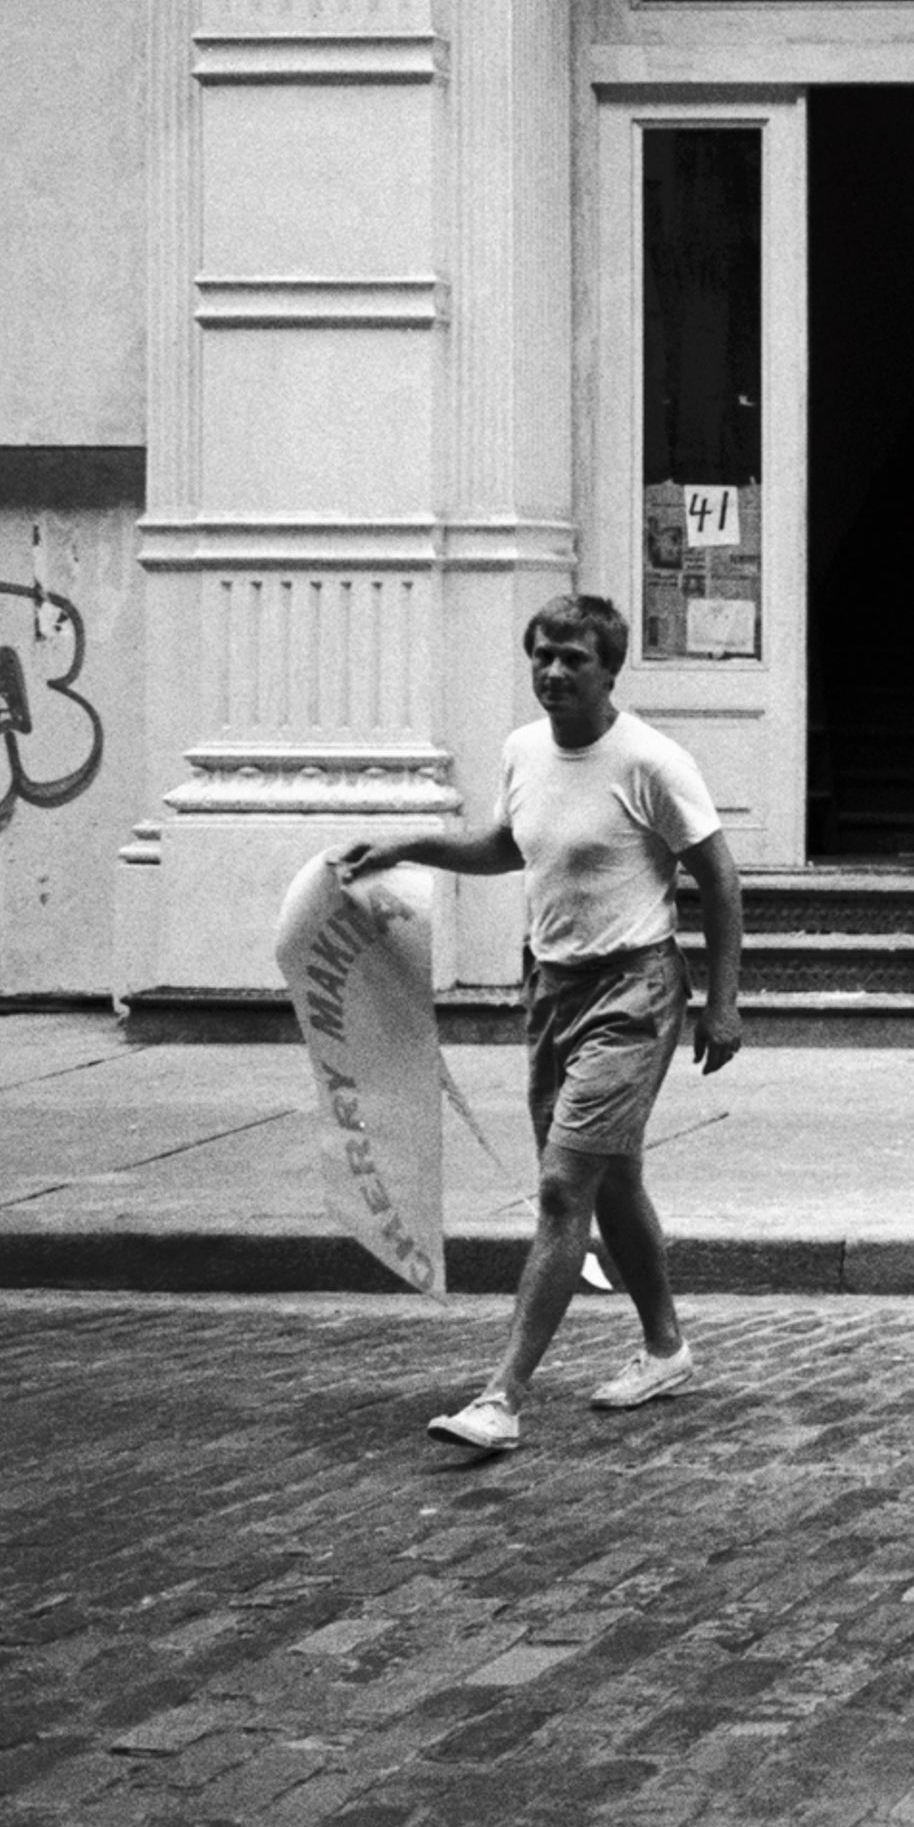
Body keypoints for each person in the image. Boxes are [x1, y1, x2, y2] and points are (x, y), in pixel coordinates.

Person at [341, 591, 744, 1453]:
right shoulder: (524, 750)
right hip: (554, 991)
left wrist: (722, 1000)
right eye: (543, 656)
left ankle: (502, 1396)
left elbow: (718, 878)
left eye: (573, 659)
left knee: (564, 1189)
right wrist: (407, 846)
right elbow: (508, 846)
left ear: (610, 672)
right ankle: (666, 1346)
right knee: (612, 1180)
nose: (554, 672)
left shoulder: (651, 762)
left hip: (636, 994)